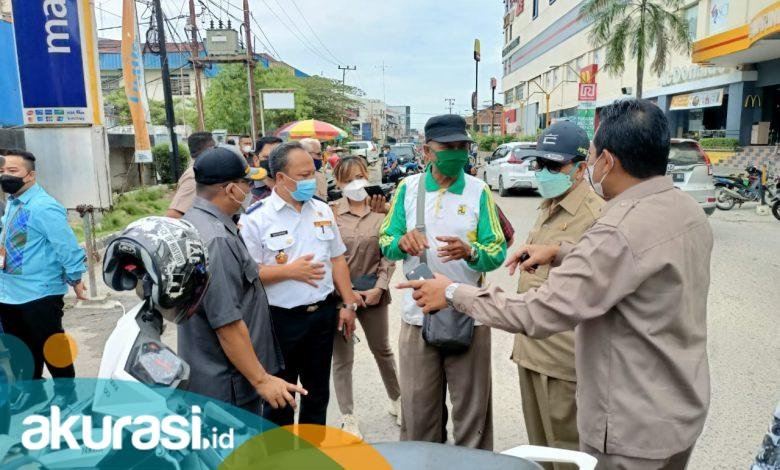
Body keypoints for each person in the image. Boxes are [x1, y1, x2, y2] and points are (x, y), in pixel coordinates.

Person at [400, 99, 713, 469]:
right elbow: (630, 265)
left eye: (593, 157)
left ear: (606, 161)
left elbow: (540, 309)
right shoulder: (685, 210)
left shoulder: (617, 226)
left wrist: (452, 292)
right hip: (679, 406)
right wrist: (561, 252)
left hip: (632, 425)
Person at [379, 114, 507, 450]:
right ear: (427, 151)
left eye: (462, 146)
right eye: (448, 147)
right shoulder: (407, 189)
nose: (457, 153)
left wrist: (471, 252)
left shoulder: (479, 191)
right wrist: (401, 243)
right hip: (417, 316)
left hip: (469, 315)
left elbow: (497, 250)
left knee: (472, 416)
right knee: (419, 415)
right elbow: (386, 240)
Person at [240, 142, 363, 431]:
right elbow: (248, 274)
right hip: (280, 321)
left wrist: (348, 304)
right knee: (280, 397)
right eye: (304, 175)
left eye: (313, 172)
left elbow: (337, 259)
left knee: (317, 394)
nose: (311, 179)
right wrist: (288, 271)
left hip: (322, 316)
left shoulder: (321, 210)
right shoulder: (256, 218)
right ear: (281, 178)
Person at [177, 146, 304, 415]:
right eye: (246, 183)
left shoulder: (197, 222)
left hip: (212, 374)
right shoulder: (217, 240)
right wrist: (261, 379)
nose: (250, 190)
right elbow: (227, 323)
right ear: (230, 189)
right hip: (227, 384)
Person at [514, 122, 605, 470]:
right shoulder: (551, 203)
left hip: (563, 360)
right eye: (539, 164)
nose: (543, 173)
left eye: (554, 166)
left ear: (582, 168)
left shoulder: (597, 215)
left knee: (566, 453)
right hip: (531, 350)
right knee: (539, 451)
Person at [0, 149, 86, 412]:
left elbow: (66, 245)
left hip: (40, 292)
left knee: (51, 343)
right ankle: (33, 391)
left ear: (30, 174)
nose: (5, 176)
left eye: (12, 171)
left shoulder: (44, 206)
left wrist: (75, 277)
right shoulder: (13, 204)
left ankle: (65, 393)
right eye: (2, 171)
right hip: (9, 291)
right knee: (20, 347)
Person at [329, 156, 401, 439]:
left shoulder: (382, 213)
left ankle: (397, 400)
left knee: (382, 349)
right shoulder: (330, 214)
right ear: (338, 183)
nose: (356, 183)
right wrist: (346, 294)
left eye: (360, 176)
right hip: (341, 297)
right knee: (343, 358)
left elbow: (389, 256)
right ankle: (348, 417)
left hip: (374, 295)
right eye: (348, 179)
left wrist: (380, 288)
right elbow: (328, 260)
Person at [166, 132, 215, 218]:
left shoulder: (201, 170)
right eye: (215, 148)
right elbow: (173, 215)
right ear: (210, 149)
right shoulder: (195, 175)